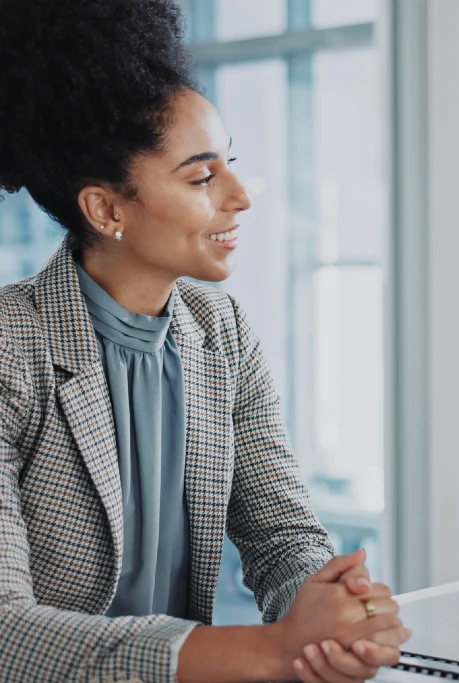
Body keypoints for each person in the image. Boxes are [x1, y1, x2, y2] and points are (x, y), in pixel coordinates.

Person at [0, 1, 408, 682]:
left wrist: (335, 605)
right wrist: (275, 649)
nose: (241, 195)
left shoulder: (222, 332)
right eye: (201, 177)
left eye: (231, 164)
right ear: (105, 208)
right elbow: (7, 632)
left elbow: (282, 536)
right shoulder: (12, 346)